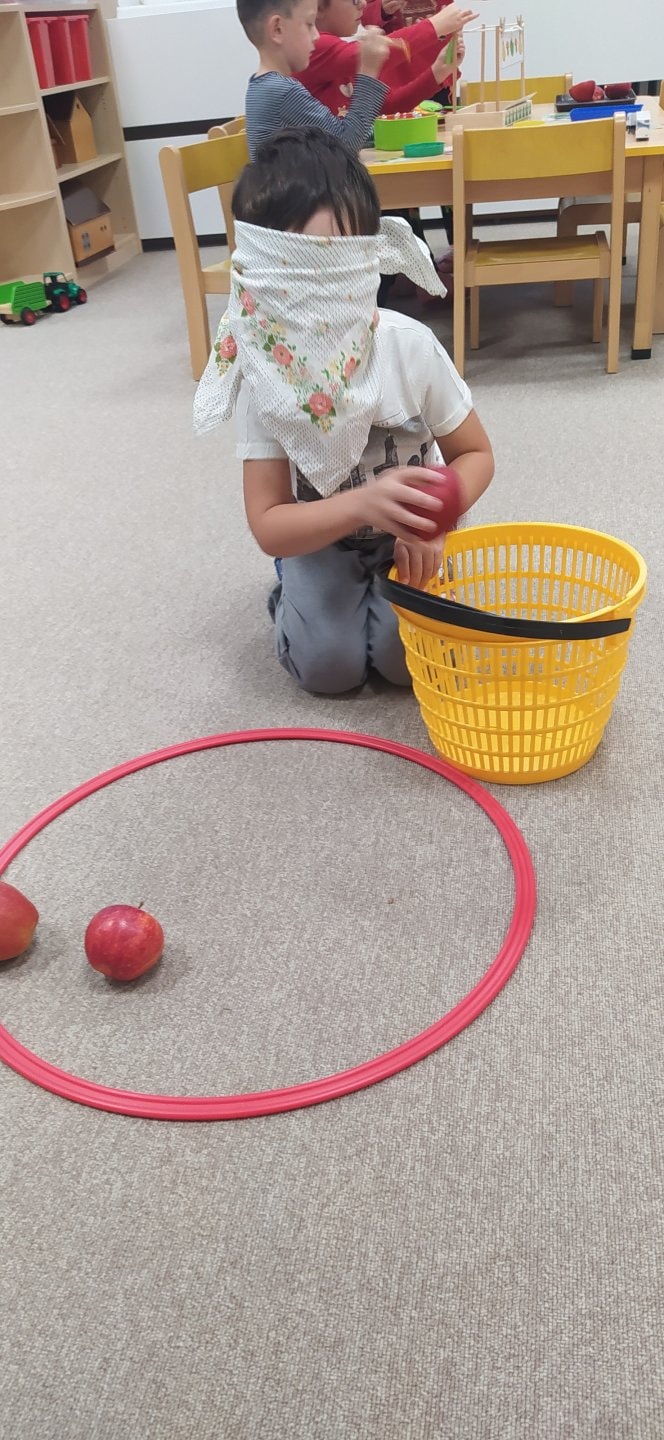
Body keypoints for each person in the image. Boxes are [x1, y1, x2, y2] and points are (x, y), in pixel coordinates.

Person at [194, 131, 494, 695]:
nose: (317, 298)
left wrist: (437, 518)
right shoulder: (267, 369)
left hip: (409, 536)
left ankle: (353, 600)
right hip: (320, 538)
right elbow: (269, 521)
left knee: (407, 664)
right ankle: (293, 593)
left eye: (333, 267)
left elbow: (475, 454)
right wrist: (360, 503)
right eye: (297, 273)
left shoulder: (408, 346)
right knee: (329, 669)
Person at [238, 0, 391, 156]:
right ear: (277, 29)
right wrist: (368, 70)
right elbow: (346, 146)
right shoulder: (282, 91)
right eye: (309, 25)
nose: (317, 36)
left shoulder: (263, 86)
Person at [298, 0, 475, 119]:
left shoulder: (333, 50)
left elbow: (384, 106)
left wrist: (437, 73)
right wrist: (434, 26)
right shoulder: (314, 46)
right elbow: (370, 54)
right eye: (354, 0)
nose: (363, 3)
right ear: (318, 7)